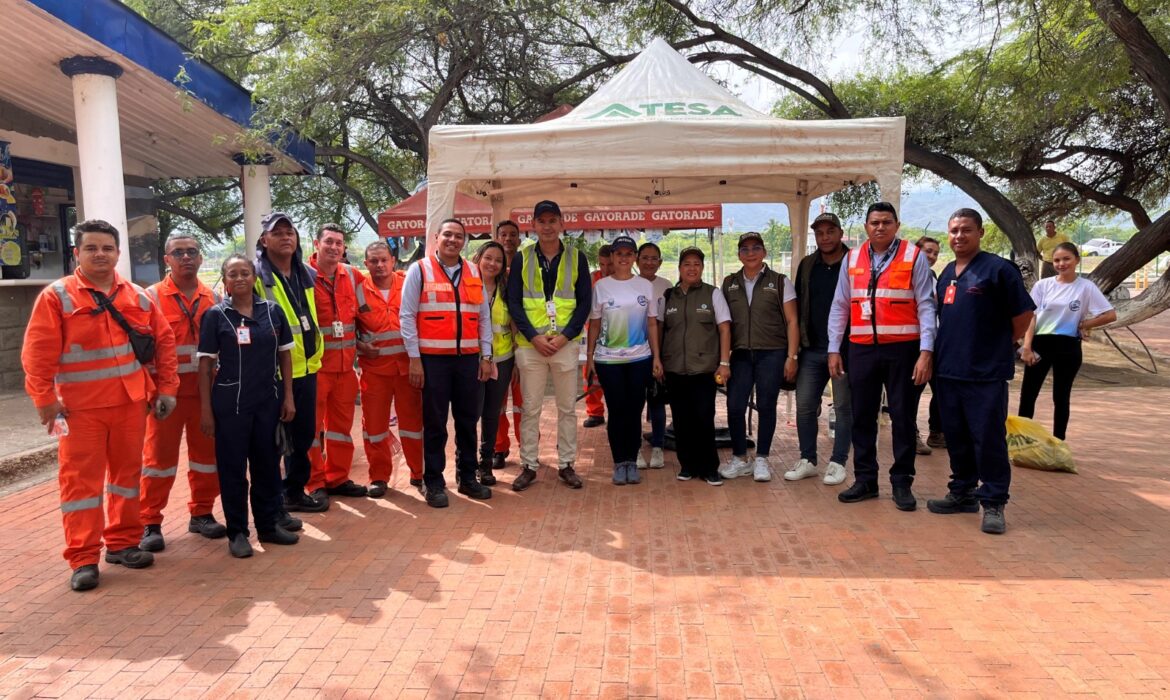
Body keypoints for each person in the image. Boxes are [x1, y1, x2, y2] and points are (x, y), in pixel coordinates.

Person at [22, 219, 178, 591]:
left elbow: (165, 343)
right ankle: (83, 558)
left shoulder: (138, 297)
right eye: (91, 248)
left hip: (129, 404)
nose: (100, 254)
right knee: (81, 486)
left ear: (118, 253)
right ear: (77, 253)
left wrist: (166, 390)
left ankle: (123, 543)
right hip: (79, 411)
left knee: (127, 478)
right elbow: (37, 355)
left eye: (107, 248)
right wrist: (45, 400)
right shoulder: (57, 297)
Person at [927, 209, 1035, 534]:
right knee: (956, 438)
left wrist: (1000, 344)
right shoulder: (947, 272)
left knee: (988, 440)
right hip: (948, 372)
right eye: (954, 230)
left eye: (966, 230)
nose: (959, 236)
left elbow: (1024, 314)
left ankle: (993, 502)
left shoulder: (999, 270)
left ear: (980, 233)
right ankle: (962, 492)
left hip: (985, 374)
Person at [828, 202, 936, 511]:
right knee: (862, 415)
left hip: (904, 348)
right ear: (866, 227)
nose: (880, 227)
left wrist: (926, 351)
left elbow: (927, 305)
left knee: (902, 416)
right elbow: (840, 306)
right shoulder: (852, 258)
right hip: (861, 348)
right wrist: (834, 348)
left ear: (896, 225)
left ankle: (902, 482)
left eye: (886, 222)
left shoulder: (912, 257)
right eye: (874, 222)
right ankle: (866, 480)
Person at [198, 255, 300, 557]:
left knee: (267, 466)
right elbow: (205, 366)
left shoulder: (272, 312)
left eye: (245, 272)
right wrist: (206, 410)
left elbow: (285, 355)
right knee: (232, 469)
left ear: (254, 277)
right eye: (233, 274)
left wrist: (289, 396)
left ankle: (268, 526)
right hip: (230, 404)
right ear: (225, 280)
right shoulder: (216, 316)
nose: (240, 278)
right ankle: (238, 532)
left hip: (267, 400)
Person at [139, 235, 226, 553]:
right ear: (167, 259)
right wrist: (154, 392)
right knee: (158, 462)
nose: (186, 257)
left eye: (192, 252)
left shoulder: (213, 298)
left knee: (206, 459)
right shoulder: (150, 298)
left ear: (201, 258)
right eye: (179, 253)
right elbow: (144, 350)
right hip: (167, 397)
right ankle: (149, 522)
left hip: (205, 395)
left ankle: (202, 513)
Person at [399, 219, 494, 507]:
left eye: (459, 236)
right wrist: (414, 358)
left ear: (465, 241)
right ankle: (434, 481)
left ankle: (467, 478)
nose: (453, 240)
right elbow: (406, 317)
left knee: (467, 421)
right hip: (432, 361)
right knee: (435, 423)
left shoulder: (473, 271)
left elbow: (483, 317)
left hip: (467, 360)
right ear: (436, 237)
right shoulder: (419, 270)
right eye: (448, 235)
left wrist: (485, 356)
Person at [505, 200, 592, 491]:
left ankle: (566, 464)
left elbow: (584, 304)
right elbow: (514, 302)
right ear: (533, 225)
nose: (547, 226)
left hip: (565, 345)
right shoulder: (522, 257)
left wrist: (565, 336)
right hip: (531, 346)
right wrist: (534, 337)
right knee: (530, 408)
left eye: (552, 220)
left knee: (567, 408)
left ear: (562, 223)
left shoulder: (577, 257)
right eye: (541, 221)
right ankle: (529, 464)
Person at [254, 211, 327, 514]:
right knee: (273, 439)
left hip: (307, 367)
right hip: (274, 374)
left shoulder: (304, 273)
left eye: (290, 233)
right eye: (278, 232)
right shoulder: (257, 276)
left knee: (303, 434)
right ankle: (273, 501)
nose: (286, 237)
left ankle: (294, 491)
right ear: (264, 239)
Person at [719, 231, 799, 483]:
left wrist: (792, 356)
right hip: (740, 353)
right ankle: (740, 458)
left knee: (766, 406)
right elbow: (723, 323)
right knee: (734, 406)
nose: (750, 253)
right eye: (745, 249)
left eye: (755, 248)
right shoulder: (729, 282)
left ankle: (762, 458)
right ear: (739, 254)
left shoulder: (780, 281)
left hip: (772, 353)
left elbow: (792, 320)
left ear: (764, 252)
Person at [1018, 242, 1116, 440]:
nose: (1061, 264)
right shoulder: (1043, 285)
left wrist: (1085, 323)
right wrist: (1026, 347)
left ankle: (1058, 442)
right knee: (1029, 394)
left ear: (1076, 260)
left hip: (1068, 347)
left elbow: (1110, 314)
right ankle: (1022, 440)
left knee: (1061, 397)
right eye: (1056, 260)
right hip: (1040, 344)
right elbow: (1031, 317)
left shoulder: (1086, 287)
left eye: (1066, 259)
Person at [586, 236, 661, 485]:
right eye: (619, 254)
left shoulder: (644, 286)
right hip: (609, 360)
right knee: (617, 410)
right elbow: (595, 323)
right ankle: (619, 462)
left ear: (635, 258)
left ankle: (632, 459)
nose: (624, 258)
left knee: (634, 409)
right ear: (613, 257)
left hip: (639, 357)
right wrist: (590, 357)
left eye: (629, 254)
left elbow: (652, 323)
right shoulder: (601, 286)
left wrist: (656, 357)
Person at [785, 213, 851, 486]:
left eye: (829, 231)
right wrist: (796, 349)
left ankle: (838, 462)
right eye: (819, 233)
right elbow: (798, 305)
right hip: (812, 348)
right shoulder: (808, 264)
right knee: (804, 407)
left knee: (844, 407)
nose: (825, 237)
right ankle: (808, 459)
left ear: (840, 233)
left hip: (845, 349)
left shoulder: (854, 261)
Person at [355, 240, 424, 498]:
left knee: (413, 425)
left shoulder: (409, 282)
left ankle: (418, 473)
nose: (380, 265)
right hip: (374, 371)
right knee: (374, 427)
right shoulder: (359, 291)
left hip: (408, 369)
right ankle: (379, 477)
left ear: (393, 260)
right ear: (366, 264)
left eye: (384, 259)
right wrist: (360, 346)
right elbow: (349, 328)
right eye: (374, 261)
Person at [306, 223, 368, 502]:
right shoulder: (303, 277)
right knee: (312, 430)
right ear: (316, 244)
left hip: (346, 368)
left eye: (339, 243)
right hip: (316, 368)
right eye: (328, 241)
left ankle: (337, 477)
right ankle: (314, 482)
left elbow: (365, 313)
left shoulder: (353, 276)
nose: (333, 247)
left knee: (341, 430)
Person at [658, 246, 731, 485]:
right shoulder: (669, 297)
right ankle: (687, 465)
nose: (692, 268)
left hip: (703, 369)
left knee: (703, 418)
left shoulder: (713, 294)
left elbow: (724, 328)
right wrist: (658, 360)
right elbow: (660, 329)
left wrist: (723, 362)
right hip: (675, 368)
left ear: (702, 268)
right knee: (681, 420)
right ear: (679, 268)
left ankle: (709, 467)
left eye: (696, 264)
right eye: (687, 264)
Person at [474, 241, 514, 487]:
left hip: (503, 357)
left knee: (492, 414)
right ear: (478, 258)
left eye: (498, 260)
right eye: (488, 258)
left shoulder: (507, 288)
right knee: (469, 414)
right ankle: (465, 465)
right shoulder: (467, 284)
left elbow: (514, 322)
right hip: (472, 358)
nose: (492, 264)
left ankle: (485, 464)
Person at [491, 220, 524, 468]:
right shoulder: (490, 270)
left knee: (524, 403)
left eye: (513, 235)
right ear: (497, 237)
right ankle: (499, 448)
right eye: (504, 234)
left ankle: (528, 448)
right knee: (497, 404)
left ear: (519, 239)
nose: (508, 239)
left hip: (523, 346)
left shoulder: (527, 266)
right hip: (497, 351)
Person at [636, 242, 672, 470]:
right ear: (637, 260)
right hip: (634, 354)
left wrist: (662, 356)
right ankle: (636, 448)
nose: (649, 262)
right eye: (645, 258)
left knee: (657, 401)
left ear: (660, 262)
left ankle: (658, 447)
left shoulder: (667, 287)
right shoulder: (629, 284)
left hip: (660, 354)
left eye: (654, 258)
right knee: (635, 404)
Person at [912, 236, 945, 454]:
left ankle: (937, 432)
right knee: (913, 391)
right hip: (915, 342)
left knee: (941, 390)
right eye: (928, 251)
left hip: (936, 343)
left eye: (935, 253)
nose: (931, 257)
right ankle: (910, 433)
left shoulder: (934, 278)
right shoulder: (908, 276)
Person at [583, 244, 613, 428]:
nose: (606, 269)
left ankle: (617, 412)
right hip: (594, 335)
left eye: (609, 264)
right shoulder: (592, 278)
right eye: (602, 264)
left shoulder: (622, 279)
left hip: (618, 335)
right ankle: (595, 412)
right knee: (591, 375)